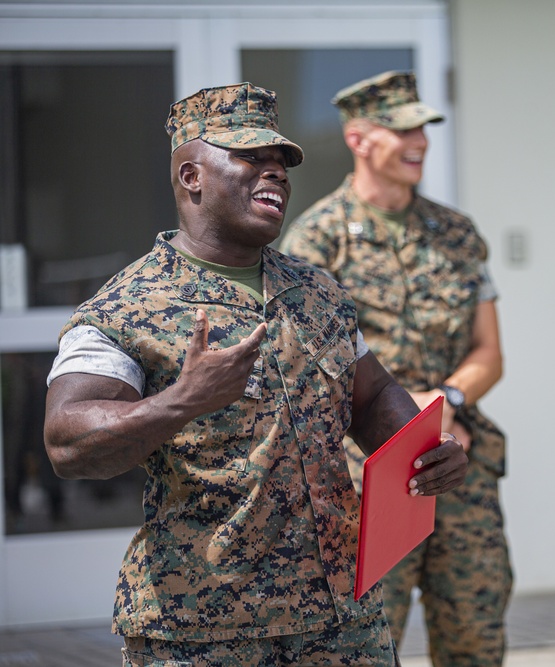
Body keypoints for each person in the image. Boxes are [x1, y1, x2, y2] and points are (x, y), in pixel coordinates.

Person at [42, 82, 468, 667]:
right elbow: (67, 441)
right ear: (191, 175)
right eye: (250, 158)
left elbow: (371, 397)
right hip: (203, 629)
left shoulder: (317, 291)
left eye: (281, 162)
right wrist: (180, 402)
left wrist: (422, 447)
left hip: (341, 620)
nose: (277, 174)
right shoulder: (124, 308)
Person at [280, 70, 513, 666]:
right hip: (369, 477)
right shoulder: (318, 242)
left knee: (476, 639)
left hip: (458, 461)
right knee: (369, 643)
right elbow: (314, 368)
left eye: (424, 130)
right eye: (402, 129)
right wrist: (413, 418)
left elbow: (490, 352)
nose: (420, 143)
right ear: (359, 139)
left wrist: (446, 406)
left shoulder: (457, 234)